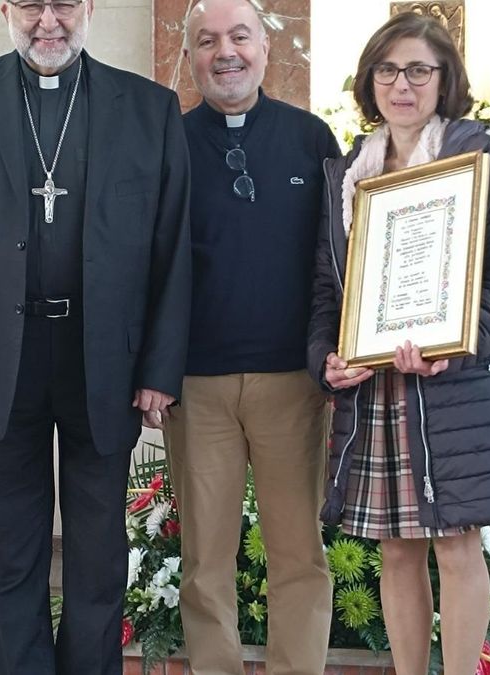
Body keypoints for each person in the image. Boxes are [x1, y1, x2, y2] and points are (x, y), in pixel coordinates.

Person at [0, 1, 191, 672]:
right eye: (30, 4)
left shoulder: (148, 107)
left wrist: (159, 368)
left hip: (105, 359)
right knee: (10, 554)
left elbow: (171, 248)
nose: (48, 21)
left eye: (63, 4)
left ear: (88, 9)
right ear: (5, 10)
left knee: (97, 556)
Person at [307, 13, 490, 675]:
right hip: (377, 388)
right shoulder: (347, 172)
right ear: (370, 80)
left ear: (444, 79)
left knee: (455, 543)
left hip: (452, 387)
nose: (402, 84)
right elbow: (328, 288)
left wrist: (462, 344)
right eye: (388, 70)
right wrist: (330, 357)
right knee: (395, 550)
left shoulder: (483, 157)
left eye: (419, 70)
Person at [165, 1, 340, 673]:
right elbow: (151, 266)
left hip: (290, 383)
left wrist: (329, 360)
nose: (225, 52)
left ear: (266, 48)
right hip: (196, 384)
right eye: (207, 42)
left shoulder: (309, 138)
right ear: (190, 57)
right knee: (205, 558)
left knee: (299, 553)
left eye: (239, 36)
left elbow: (333, 259)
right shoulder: (168, 143)